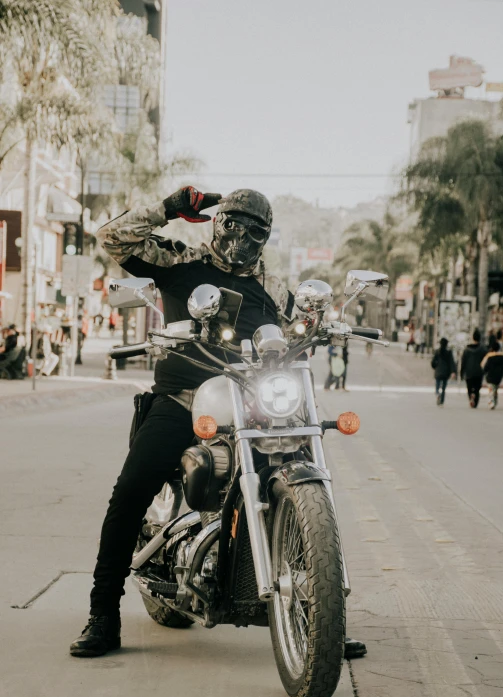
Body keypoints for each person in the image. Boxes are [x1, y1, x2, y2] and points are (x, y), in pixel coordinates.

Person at [69, 186, 366, 661]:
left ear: (265, 237)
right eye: (232, 223)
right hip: (184, 399)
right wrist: (168, 208)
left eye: (254, 229)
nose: (240, 235)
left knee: (310, 483)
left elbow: (299, 337)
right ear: (215, 221)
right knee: (129, 492)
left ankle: (322, 617)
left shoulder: (272, 288)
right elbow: (113, 238)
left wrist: (324, 329)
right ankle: (103, 613)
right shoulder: (180, 262)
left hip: (250, 406)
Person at [460, 329, 486, 408]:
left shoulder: (467, 350)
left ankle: (471, 395)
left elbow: (463, 362)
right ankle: (475, 400)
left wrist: (461, 372)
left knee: (469, 388)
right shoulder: (483, 349)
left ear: (472, 338)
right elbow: (486, 361)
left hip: (469, 372)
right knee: (477, 389)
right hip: (479, 372)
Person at [481, 340, 503, 410]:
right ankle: (495, 400)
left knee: (491, 390)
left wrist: (484, 372)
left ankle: (491, 402)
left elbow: (485, 366)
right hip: (498, 377)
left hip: (490, 376)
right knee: (495, 389)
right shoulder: (502, 357)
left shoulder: (490, 356)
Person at [431, 337, 456, 406]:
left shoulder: (437, 351)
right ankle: (441, 400)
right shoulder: (449, 352)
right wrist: (453, 371)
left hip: (438, 371)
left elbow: (433, 362)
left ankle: (437, 394)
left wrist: (435, 366)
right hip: (446, 372)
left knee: (437, 385)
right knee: (444, 388)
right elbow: (452, 362)